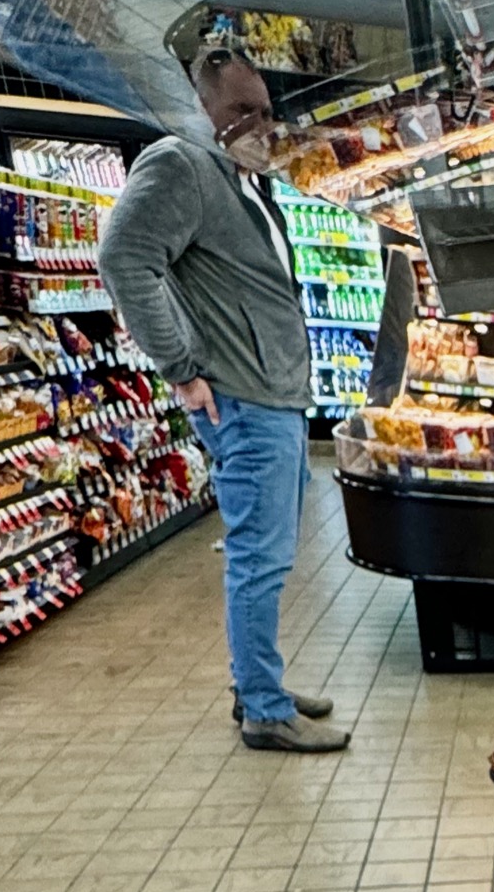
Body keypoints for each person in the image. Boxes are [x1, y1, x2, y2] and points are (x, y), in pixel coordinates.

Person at [98, 46, 349, 751]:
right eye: (241, 110)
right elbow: (124, 256)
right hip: (242, 398)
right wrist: (181, 365)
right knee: (258, 557)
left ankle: (257, 684)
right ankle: (266, 710)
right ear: (201, 107)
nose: (258, 125)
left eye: (265, 111)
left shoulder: (240, 179)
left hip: (272, 393)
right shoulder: (181, 164)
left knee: (267, 553)